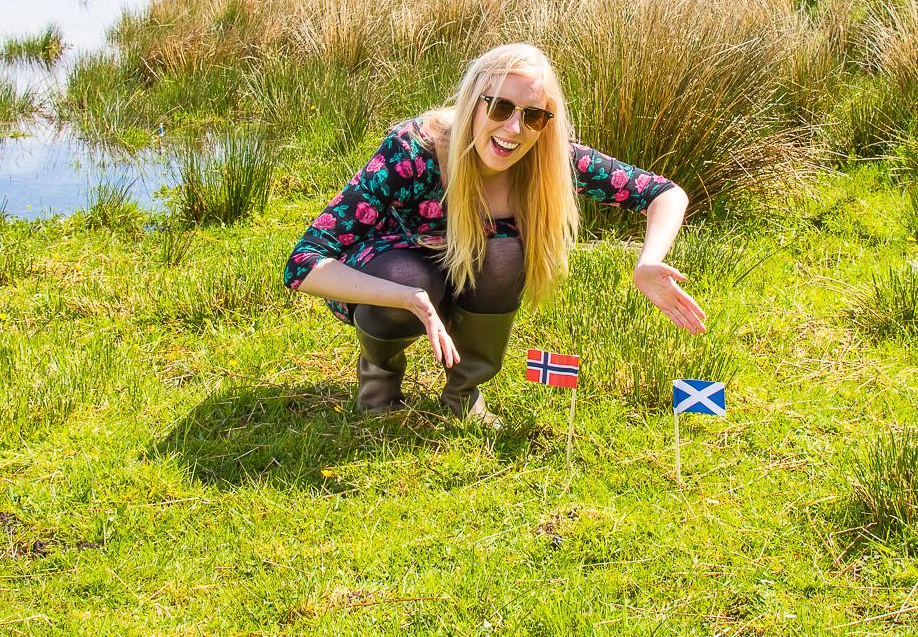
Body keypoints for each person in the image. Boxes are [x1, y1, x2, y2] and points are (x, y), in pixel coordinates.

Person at [282, 42, 707, 426]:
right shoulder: (413, 150)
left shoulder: (551, 160)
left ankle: (463, 395)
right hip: (400, 268)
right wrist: (404, 299)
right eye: (500, 108)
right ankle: (380, 387)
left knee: (507, 254)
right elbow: (303, 262)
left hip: (478, 272)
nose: (514, 130)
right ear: (473, 103)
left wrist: (648, 260)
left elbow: (663, 193)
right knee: (408, 279)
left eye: (535, 116)